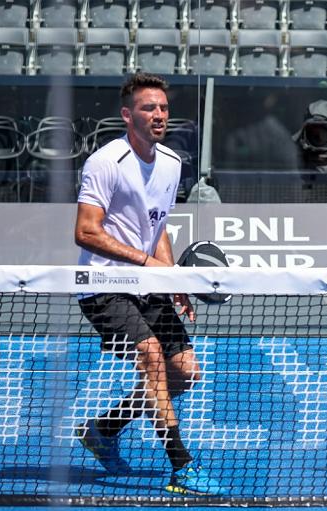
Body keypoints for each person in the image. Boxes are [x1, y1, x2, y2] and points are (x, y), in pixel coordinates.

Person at [74, 73, 226, 495]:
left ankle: (102, 430)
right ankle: (183, 467)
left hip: (148, 280)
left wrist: (171, 276)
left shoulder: (172, 163)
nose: (158, 115)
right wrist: (144, 262)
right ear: (128, 115)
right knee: (152, 356)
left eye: (162, 108)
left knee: (184, 373)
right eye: (148, 108)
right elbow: (86, 231)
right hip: (104, 284)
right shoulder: (106, 162)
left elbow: (155, 227)